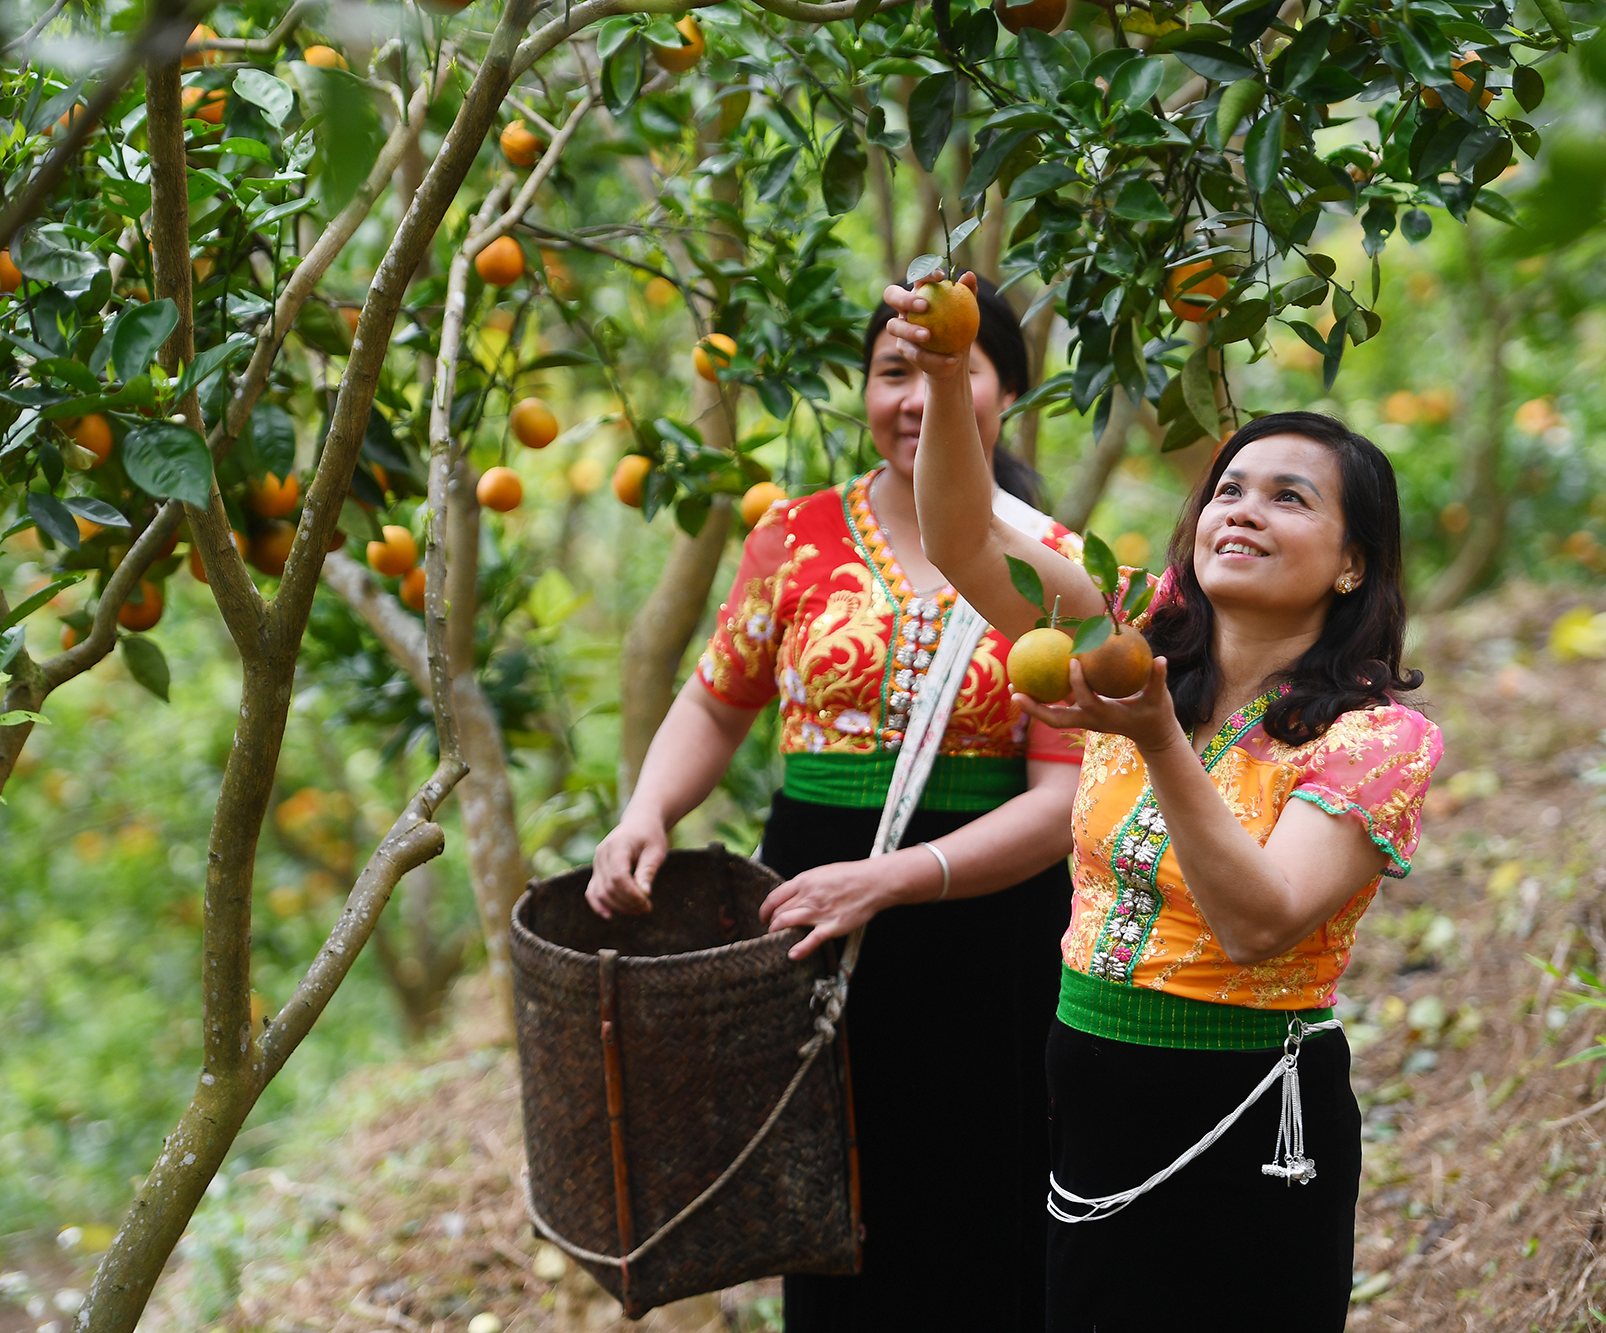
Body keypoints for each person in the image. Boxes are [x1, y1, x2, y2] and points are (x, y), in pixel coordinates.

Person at [885, 275, 1442, 1331]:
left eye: (1290, 496)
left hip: (1247, 1125)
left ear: (1351, 563)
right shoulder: (1127, 631)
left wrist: (1151, 740)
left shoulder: (1376, 740)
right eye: (1228, 490)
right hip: (1091, 1109)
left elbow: (1259, 920)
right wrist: (951, 372)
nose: (1242, 510)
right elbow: (961, 539)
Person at [588, 280, 1083, 1332]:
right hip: (809, 917)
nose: (914, 398)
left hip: (987, 929)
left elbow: (1063, 798)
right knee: (834, 1209)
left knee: (987, 1202)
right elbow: (715, 704)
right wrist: (647, 813)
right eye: (890, 372)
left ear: (1005, 390)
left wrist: (894, 878)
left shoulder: (1053, 563)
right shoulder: (796, 536)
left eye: (947, 371)